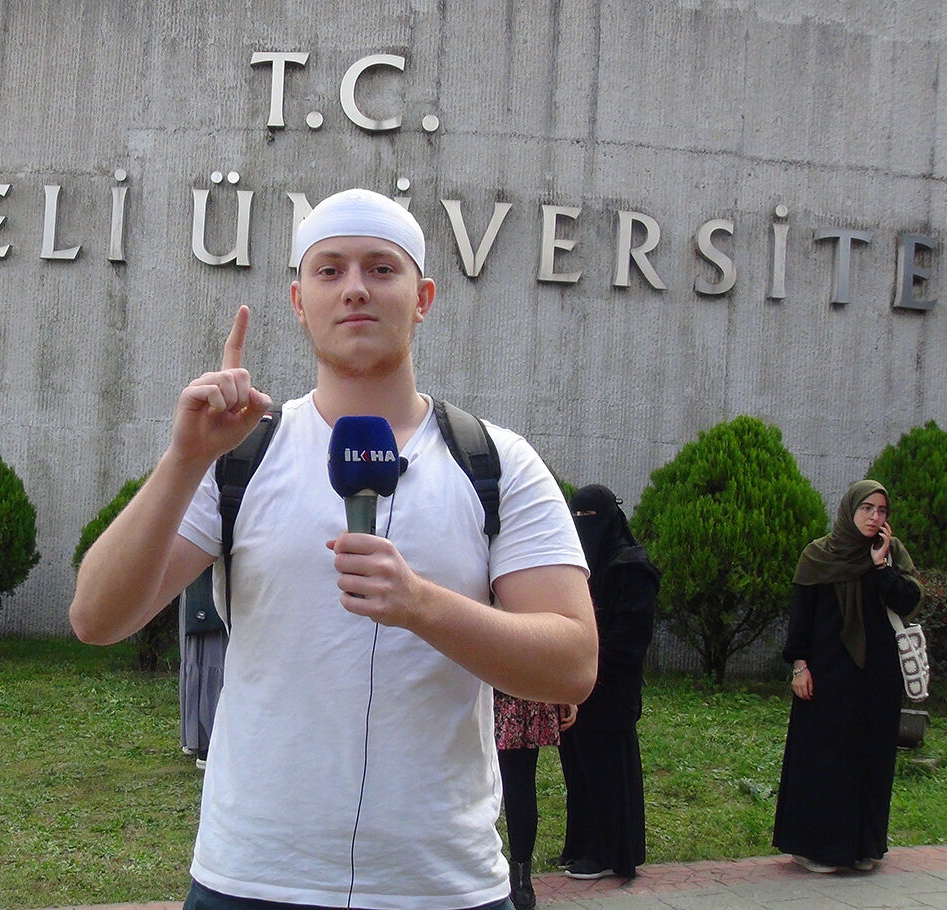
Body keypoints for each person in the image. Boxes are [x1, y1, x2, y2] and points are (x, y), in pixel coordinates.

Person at [69, 188, 598, 910]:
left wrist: (422, 607)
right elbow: (96, 618)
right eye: (329, 270)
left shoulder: (496, 463)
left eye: (381, 268)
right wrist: (184, 459)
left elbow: (573, 664)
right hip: (251, 878)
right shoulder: (239, 457)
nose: (355, 289)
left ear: (423, 298)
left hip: (442, 885)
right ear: (299, 300)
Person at [772, 479, 922, 874]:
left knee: (872, 759)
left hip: (877, 678)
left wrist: (881, 566)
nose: (874, 517)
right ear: (849, 510)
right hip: (828, 675)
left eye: (882, 510)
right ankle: (815, 849)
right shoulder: (819, 555)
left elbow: (908, 601)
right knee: (823, 759)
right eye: (867, 508)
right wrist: (799, 666)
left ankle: (862, 848)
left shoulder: (891, 552)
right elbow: (802, 618)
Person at [557, 484, 659, 880]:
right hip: (575, 686)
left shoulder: (631, 568)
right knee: (578, 767)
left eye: (590, 518)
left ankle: (609, 851)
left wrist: (592, 668)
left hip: (611, 688)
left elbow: (631, 636)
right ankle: (581, 845)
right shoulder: (577, 567)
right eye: (576, 517)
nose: (584, 526)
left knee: (608, 769)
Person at [495, 695, 575, 909]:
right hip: (473, 697)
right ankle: (475, 868)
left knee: (519, 784)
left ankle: (521, 876)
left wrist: (563, 692)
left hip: (518, 699)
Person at [179, 566, 227, 768]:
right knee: (211, 657)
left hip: (201, 581)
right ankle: (206, 742)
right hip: (209, 584)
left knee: (201, 658)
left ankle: (197, 737)